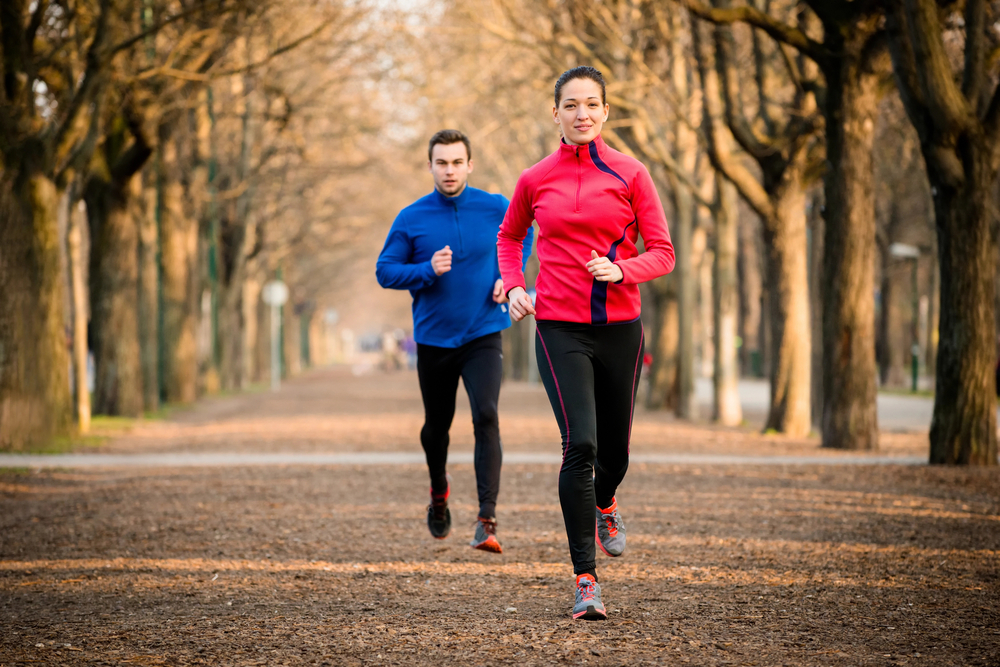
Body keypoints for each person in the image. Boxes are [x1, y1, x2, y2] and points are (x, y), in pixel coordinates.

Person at [497, 67, 675, 619]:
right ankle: (585, 580)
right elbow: (509, 236)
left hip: (620, 326)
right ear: (556, 114)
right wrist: (516, 286)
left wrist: (622, 271)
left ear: (605, 111)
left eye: (591, 104)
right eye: (570, 105)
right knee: (581, 445)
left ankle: (607, 502)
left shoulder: (631, 172)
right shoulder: (535, 178)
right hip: (558, 326)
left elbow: (663, 252)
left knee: (615, 452)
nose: (581, 114)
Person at [377, 129, 534, 553]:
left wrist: (509, 276)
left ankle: (487, 518)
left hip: (484, 331)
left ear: (470, 164)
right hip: (434, 339)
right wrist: (426, 268)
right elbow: (385, 271)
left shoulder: (497, 206)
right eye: (441, 163)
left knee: (487, 416)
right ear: (430, 166)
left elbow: (524, 236)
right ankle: (439, 492)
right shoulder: (411, 218)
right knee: (437, 428)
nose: (449, 170)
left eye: (456, 162)